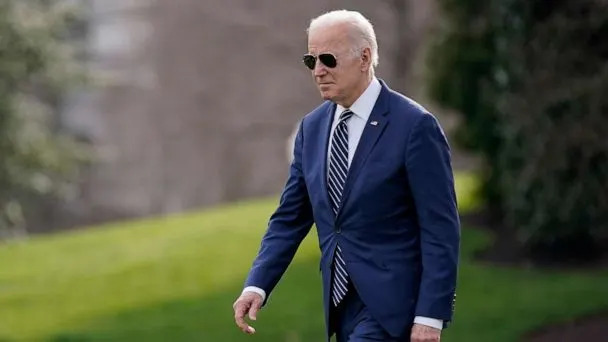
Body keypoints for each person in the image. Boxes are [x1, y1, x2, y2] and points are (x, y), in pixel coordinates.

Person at [233, 9, 460, 342]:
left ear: (365, 57)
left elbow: (440, 228)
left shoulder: (414, 127)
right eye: (311, 61)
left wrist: (430, 316)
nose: (319, 71)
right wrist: (258, 284)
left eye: (328, 59)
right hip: (340, 308)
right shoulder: (312, 129)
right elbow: (290, 218)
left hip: (395, 308)